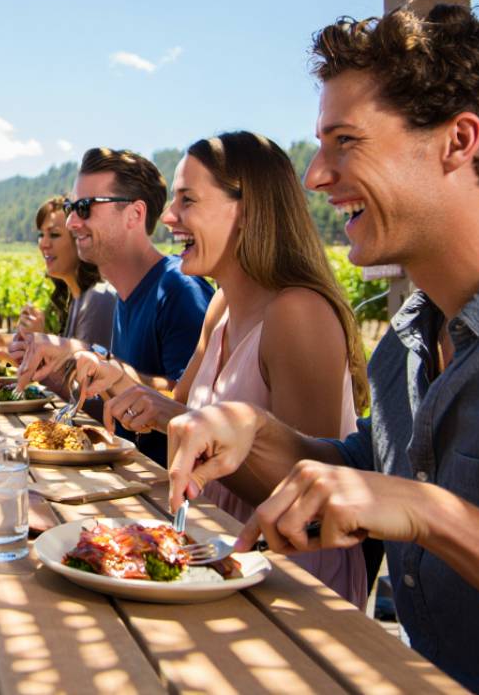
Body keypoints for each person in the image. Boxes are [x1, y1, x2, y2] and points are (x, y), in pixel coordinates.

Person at [164, 4, 479, 693]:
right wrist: (255, 433)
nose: (315, 176)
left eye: (345, 141)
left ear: (458, 140)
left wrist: (438, 516)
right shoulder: (407, 339)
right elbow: (364, 474)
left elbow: (412, 503)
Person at [70, 132, 371, 606]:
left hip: (286, 579)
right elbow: (182, 415)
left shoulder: (298, 313)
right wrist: (123, 384)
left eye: (187, 201)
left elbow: (302, 496)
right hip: (216, 553)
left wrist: (170, 416)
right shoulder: (223, 306)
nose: (168, 217)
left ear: (247, 210)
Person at [15, 148, 213, 462]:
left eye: (84, 208)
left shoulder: (178, 290)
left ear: (135, 214)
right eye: (70, 208)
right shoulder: (127, 296)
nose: (71, 222)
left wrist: (98, 361)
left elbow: (193, 411)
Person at [0, 197, 116, 409]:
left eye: (54, 234)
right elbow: (65, 370)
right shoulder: (78, 300)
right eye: (41, 235)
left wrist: (38, 347)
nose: (43, 243)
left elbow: (85, 395)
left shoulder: (97, 301)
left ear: (80, 238)